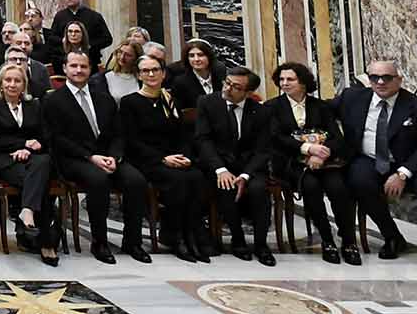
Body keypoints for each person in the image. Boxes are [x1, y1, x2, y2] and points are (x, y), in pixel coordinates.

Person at [339, 59, 417, 275]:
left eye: (386, 77)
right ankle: (392, 237)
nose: (380, 82)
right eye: (374, 77)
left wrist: (403, 174)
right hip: (372, 159)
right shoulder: (353, 98)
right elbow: (319, 109)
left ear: (398, 79)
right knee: (358, 180)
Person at [44, 50, 150, 264]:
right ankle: (99, 242)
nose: (78, 70)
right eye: (73, 66)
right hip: (74, 159)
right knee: (98, 181)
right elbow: (56, 138)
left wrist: (114, 156)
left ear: (90, 69)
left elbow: (118, 133)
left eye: (83, 66)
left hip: (107, 156)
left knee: (136, 181)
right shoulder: (53, 100)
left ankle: (133, 241)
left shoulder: (104, 98)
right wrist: (90, 157)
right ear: (64, 69)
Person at [119, 52, 210, 261]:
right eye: (145, 71)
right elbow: (131, 140)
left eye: (155, 70)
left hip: (175, 157)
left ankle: (192, 235)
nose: (151, 74)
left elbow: (183, 134)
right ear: (138, 75)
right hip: (147, 159)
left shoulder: (171, 100)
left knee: (196, 176)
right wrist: (162, 159)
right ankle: (174, 236)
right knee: (177, 180)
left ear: (163, 73)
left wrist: (185, 156)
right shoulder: (130, 102)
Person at [265, 60, 358, 265]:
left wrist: (321, 153)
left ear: (303, 82)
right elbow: (275, 138)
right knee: (311, 186)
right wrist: (307, 149)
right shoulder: (272, 107)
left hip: (325, 162)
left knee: (338, 188)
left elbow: (336, 137)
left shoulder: (320, 106)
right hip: (291, 164)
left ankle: (349, 241)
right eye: (281, 79)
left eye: (290, 79)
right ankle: (327, 240)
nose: (285, 83)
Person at [0, 62, 59, 265]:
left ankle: (27, 213)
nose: (12, 84)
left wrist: (29, 149)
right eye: (8, 80)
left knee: (44, 162)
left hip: (33, 158)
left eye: (17, 81)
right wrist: (21, 144)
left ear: (24, 85)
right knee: (41, 182)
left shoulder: (35, 104)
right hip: (3, 159)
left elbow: (44, 135)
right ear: (0, 83)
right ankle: (46, 242)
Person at [194, 65, 274, 265]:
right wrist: (220, 170)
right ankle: (238, 240)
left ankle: (261, 244)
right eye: (227, 83)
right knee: (225, 187)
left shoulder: (261, 111)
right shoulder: (207, 102)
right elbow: (203, 140)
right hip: (219, 165)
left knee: (258, 190)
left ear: (248, 93)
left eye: (236, 87)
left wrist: (246, 175)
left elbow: (263, 149)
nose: (228, 89)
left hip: (250, 168)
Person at [48, 0, 112, 68]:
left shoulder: (94, 16)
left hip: (90, 60)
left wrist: (89, 44)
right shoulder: (59, 16)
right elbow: (52, 38)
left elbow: (107, 39)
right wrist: (64, 41)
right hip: (63, 61)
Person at [166, 39, 223, 112]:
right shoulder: (180, 83)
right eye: (191, 56)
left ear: (209, 56)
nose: (196, 59)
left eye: (200, 55)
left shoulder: (219, 78)